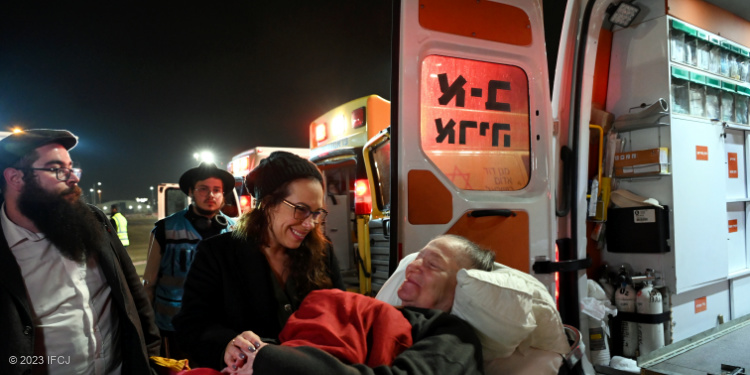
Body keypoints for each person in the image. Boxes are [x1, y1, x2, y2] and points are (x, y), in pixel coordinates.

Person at [0, 129, 160, 375]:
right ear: (15, 178)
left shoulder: (93, 220)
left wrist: (150, 360)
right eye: (57, 169)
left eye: (71, 168)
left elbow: (133, 295)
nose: (73, 178)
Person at [226, 234, 495, 375]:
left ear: (461, 285)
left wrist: (269, 359)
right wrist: (251, 349)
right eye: (417, 258)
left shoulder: (452, 335)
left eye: (433, 264)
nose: (413, 266)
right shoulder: (377, 311)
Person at [173, 151, 345, 370]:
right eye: (301, 210)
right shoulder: (218, 253)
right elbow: (190, 326)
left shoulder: (323, 252)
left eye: (317, 213)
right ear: (267, 203)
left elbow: (343, 316)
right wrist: (227, 343)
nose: (310, 224)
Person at [142, 162, 236, 358]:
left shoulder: (236, 230)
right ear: (191, 192)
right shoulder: (165, 229)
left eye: (216, 190)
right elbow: (149, 283)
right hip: (174, 326)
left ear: (223, 194)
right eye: (203, 189)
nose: (211, 195)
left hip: (221, 326)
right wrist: (147, 325)